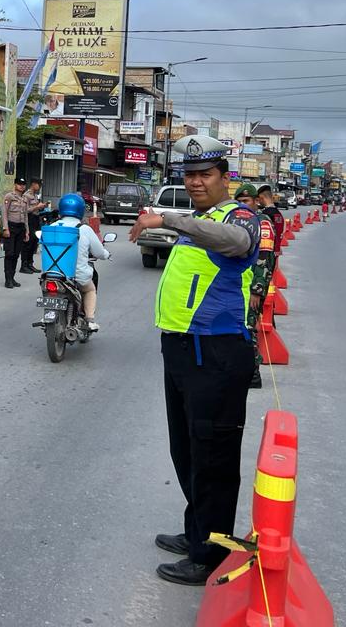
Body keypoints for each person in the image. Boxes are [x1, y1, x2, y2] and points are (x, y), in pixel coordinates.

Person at [128, 134, 260, 586]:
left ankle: (212, 553)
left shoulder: (239, 217)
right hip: (183, 349)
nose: (196, 182)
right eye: (190, 175)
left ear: (226, 179)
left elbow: (238, 242)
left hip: (218, 352)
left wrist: (167, 217)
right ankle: (198, 531)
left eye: (205, 175)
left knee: (214, 455)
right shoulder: (199, 219)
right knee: (186, 449)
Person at [233, 183, 274, 389]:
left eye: (246, 201)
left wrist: (257, 289)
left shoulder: (262, 223)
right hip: (236, 285)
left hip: (253, 286)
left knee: (249, 326)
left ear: (256, 202)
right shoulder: (237, 222)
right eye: (239, 202)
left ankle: (254, 372)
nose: (242, 205)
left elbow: (264, 259)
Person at [54, 192, 111, 331]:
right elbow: (99, 252)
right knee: (90, 290)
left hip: (52, 274)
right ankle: (89, 319)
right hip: (76, 276)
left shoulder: (52, 227)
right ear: (80, 210)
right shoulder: (84, 229)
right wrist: (106, 254)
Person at [1, 177, 32, 289]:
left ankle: (12, 277)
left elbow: (26, 216)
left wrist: (27, 231)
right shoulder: (9, 196)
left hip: (21, 228)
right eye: (19, 184)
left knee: (16, 254)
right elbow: (4, 213)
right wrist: (5, 228)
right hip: (11, 227)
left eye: (23, 184)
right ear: (15, 185)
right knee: (9, 253)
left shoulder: (25, 198)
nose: (21, 186)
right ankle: (7, 279)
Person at [21, 178, 47, 274]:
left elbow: (35, 209)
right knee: (28, 243)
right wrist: (37, 207)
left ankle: (30, 264)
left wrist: (41, 206)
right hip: (29, 219)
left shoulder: (35, 196)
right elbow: (25, 210)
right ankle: (23, 265)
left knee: (34, 242)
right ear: (33, 184)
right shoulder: (26, 195)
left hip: (36, 219)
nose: (40, 187)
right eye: (39, 185)